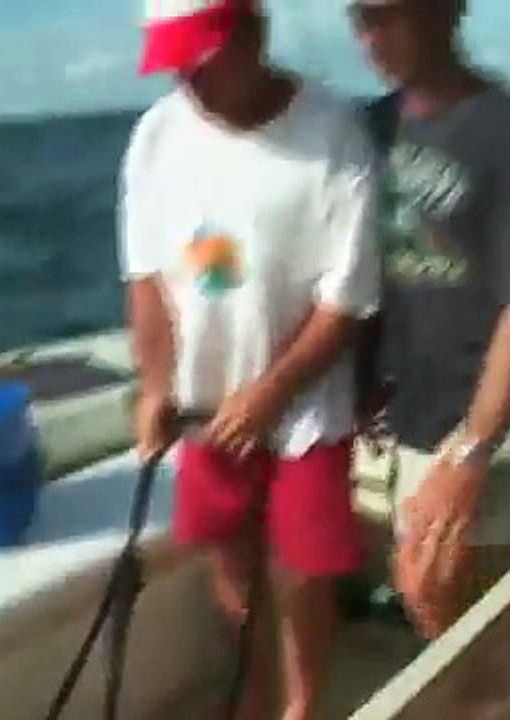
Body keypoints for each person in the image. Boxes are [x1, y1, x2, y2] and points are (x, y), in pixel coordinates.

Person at [119, 1, 380, 718]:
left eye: (199, 58)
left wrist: (270, 393)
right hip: (205, 403)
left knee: (303, 573)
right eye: (174, 61)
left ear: (252, 33)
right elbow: (147, 282)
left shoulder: (334, 132)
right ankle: (254, 698)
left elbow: (347, 301)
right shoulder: (155, 139)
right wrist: (154, 387)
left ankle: (303, 708)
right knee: (229, 560)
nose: (185, 79)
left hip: (304, 406)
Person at [347, 0, 510, 639]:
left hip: (498, 416)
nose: (370, 36)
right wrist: (359, 386)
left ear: (446, 11)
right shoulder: (370, 129)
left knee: (432, 584)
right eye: (359, 18)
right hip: (410, 412)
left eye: (385, 15)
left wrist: (474, 452)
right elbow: (367, 277)